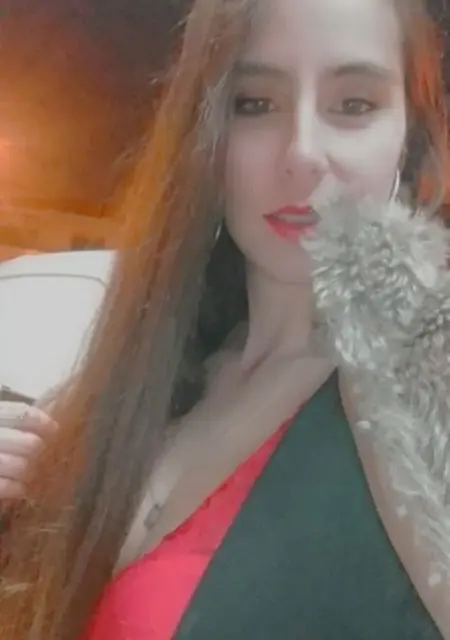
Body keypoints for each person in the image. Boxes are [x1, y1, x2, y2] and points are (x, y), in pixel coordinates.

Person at [0, 0, 449, 638]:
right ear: (206, 140)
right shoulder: (135, 393)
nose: (302, 153)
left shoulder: (414, 385)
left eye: (354, 104)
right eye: (254, 103)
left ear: (410, 141)